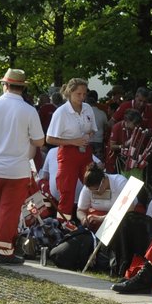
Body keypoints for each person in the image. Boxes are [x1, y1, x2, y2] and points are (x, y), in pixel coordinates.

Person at [0, 68, 46, 265]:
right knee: (10, 210)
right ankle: (4, 249)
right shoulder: (29, 110)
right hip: (18, 169)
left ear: (4, 85)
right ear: (22, 87)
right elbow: (40, 141)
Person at [46, 77, 98, 212]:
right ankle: (64, 222)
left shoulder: (87, 108)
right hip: (68, 153)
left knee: (93, 184)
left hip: (85, 151)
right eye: (78, 94)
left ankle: (92, 217)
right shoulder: (61, 112)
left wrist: (87, 136)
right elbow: (50, 139)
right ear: (70, 93)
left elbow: (93, 129)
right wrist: (73, 141)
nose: (82, 97)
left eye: (84, 94)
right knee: (67, 189)